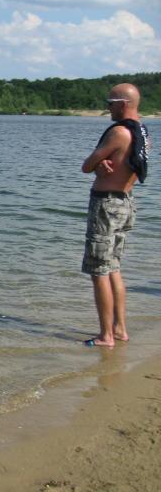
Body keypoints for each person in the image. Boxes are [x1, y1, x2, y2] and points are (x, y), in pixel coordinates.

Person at [81, 83, 150, 347]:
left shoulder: (119, 132)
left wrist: (97, 164)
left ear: (123, 104)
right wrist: (102, 164)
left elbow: (86, 165)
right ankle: (119, 329)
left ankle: (105, 336)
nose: (108, 108)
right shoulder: (141, 131)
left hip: (106, 205)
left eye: (110, 103)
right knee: (113, 268)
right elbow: (124, 163)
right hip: (125, 203)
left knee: (99, 271)